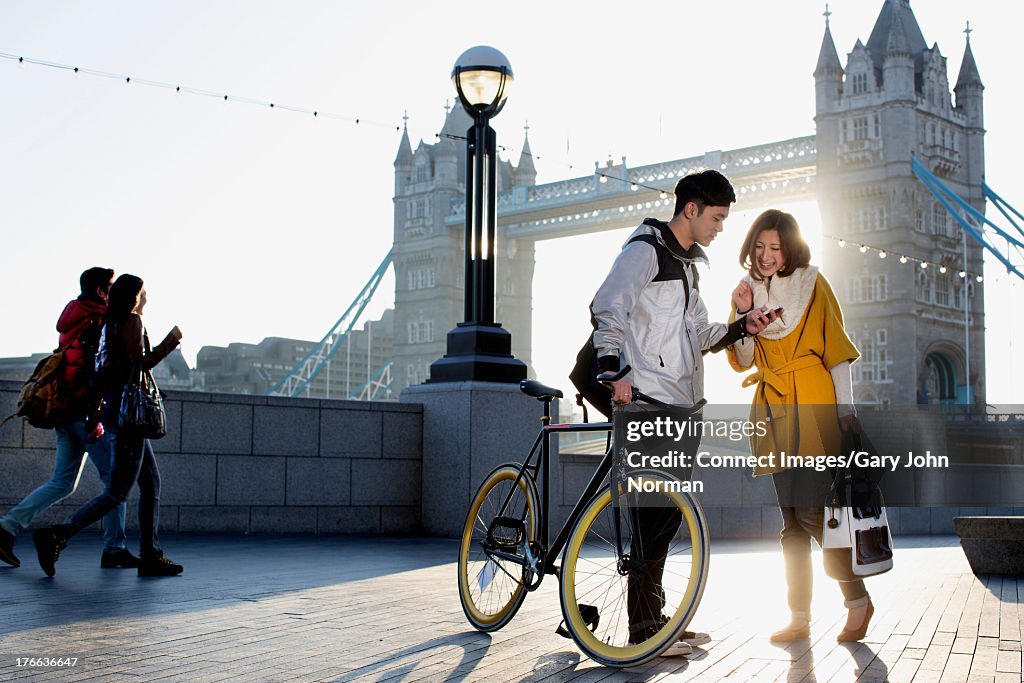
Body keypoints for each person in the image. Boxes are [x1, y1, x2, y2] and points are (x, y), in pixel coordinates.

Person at [591, 170, 782, 656]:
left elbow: (699, 335)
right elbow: (608, 305)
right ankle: (645, 631)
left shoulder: (687, 267)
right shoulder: (646, 251)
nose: (721, 229)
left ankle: (654, 621)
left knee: (666, 519)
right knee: (652, 518)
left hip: (683, 404)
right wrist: (613, 368)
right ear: (691, 210)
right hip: (648, 401)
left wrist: (744, 327)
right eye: (717, 218)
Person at [726, 209, 873, 643]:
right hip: (772, 410)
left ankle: (856, 599)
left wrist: (846, 410)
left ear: (790, 248)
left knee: (812, 514)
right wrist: (742, 313)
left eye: (775, 247)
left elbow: (838, 352)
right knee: (790, 524)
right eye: (759, 246)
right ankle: (799, 616)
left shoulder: (813, 283)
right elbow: (746, 361)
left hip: (812, 404)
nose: (766, 256)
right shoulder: (746, 291)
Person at [32, 274, 184, 578]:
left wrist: (96, 412)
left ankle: (151, 554)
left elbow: (105, 371)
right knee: (117, 492)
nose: (147, 298)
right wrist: (172, 341)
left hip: (118, 412)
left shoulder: (107, 324)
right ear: (134, 296)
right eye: (144, 293)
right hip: (131, 417)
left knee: (150, 483)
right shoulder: (131, 322)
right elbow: (137, 365)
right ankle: (58, 535)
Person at [0, 267, 138, 570]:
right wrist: (96, 413)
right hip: (86, 413)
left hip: (64, 410)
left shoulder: (73, 319)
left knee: (62, 482)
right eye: (111, 288)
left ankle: (7, 526)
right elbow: (96, 372)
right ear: (102, 292)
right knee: (114, 484)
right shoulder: (98, 321)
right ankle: (114, 548)